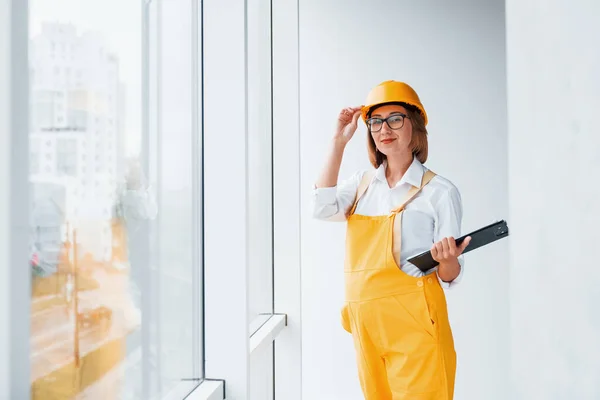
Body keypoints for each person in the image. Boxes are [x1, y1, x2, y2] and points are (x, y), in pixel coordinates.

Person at [312, 80, 471, 400]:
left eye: (395, 118)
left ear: (415, 126)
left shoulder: (439, 192)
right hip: (368, 330)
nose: (385, 128)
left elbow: (449, 276)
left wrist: (448, 260)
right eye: (376, 121)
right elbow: (321, 207)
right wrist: (337, 143)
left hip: (416, 331)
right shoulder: (361, 184)